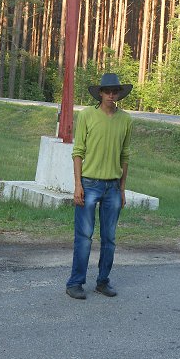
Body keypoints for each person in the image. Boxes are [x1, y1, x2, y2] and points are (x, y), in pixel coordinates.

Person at [66, 73, 133, 300]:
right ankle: (75, 283)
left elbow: (125, 156)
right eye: (107, 91)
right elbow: (78, 152)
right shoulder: (87, 115)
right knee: (84, 237)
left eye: (115, 91)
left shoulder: (126, 120)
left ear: (119, 94)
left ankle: (103, 281)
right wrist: (78, 185)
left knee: (109, 238)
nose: (111, 95)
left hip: (113, 187)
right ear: (100, 93)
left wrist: (122, 189)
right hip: (89, 184)